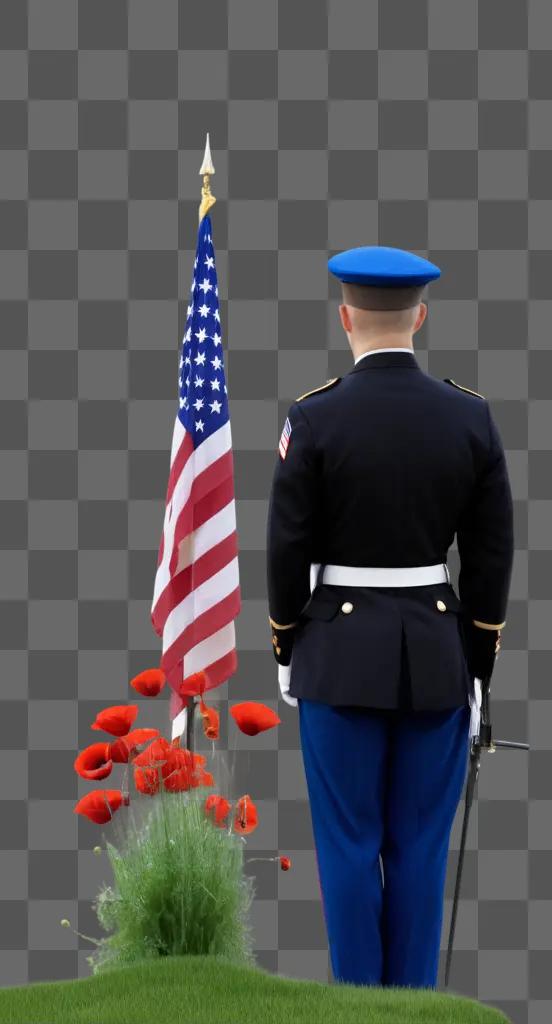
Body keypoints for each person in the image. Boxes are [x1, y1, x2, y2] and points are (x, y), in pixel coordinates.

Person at [266, 245, 513, 988]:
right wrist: (478, 664)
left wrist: (287, 643)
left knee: (346, 846)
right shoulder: (469, 416)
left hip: (336, 657)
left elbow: (285, 548)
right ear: (421, 317)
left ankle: (355, 1008)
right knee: (419, 848)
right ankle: (412, 1008)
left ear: (346, 318)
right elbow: (492, 555)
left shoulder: (313, 417)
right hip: (438, 657)